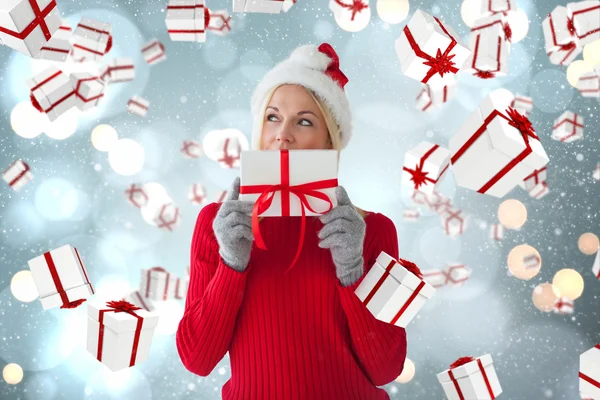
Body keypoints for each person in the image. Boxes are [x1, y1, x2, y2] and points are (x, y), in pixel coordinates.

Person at [176, 43, 407, 400]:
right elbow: (197, 359)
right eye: (273, 116)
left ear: (329, 139)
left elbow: (386, 368)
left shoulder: (374, 231)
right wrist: (231, 263)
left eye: (304, 121)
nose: (282, 133)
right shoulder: (218, 224)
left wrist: (352, 268)